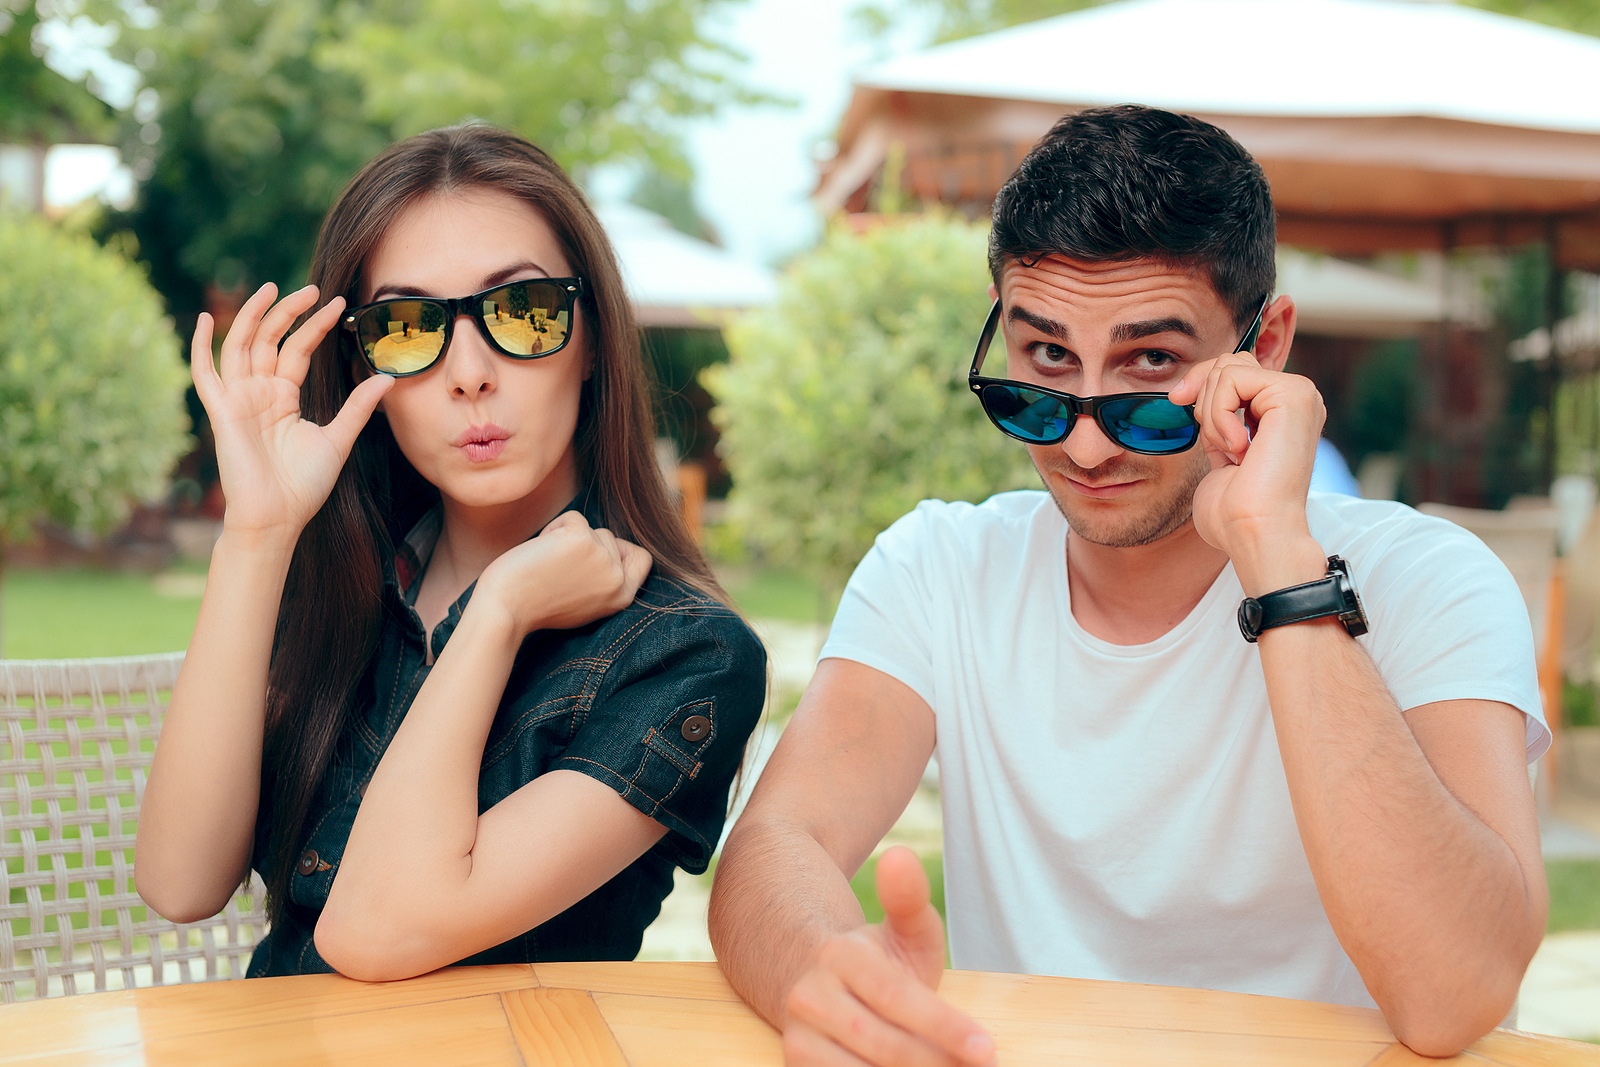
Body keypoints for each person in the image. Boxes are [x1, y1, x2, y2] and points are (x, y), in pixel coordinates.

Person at [708, 105, 1548, 1062]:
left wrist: (1276, 552)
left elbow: (1458, 990)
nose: (1085, 439)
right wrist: (825, 970)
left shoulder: (1432, 582)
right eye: (1046, 362)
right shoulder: (940, 567)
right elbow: (775, 848)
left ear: (1264, 347)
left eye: (1149, 364)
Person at [135, 124, 765, 979]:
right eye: (406, 327)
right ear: (364, 368)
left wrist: (498, 612)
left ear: (590, 343)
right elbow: (178, 880)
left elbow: (375, 931)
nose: (469, 372)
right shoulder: (346, 588)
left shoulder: (687, 657)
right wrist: (259, 534)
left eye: (524, 310)